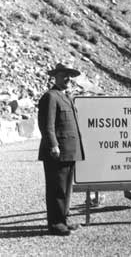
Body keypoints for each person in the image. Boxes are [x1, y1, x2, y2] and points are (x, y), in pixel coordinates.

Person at [38, 63, 85, 236]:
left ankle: (63, 220)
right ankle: (56, 225)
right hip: (57, 152)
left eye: (70, 76)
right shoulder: (50, 97)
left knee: (65, 189)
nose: (68, 79)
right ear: (55, 77)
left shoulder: (66, 96)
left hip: (69, 151)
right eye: (64, 75)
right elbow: (46, 125)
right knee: (56, 189)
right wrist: (53, 145)